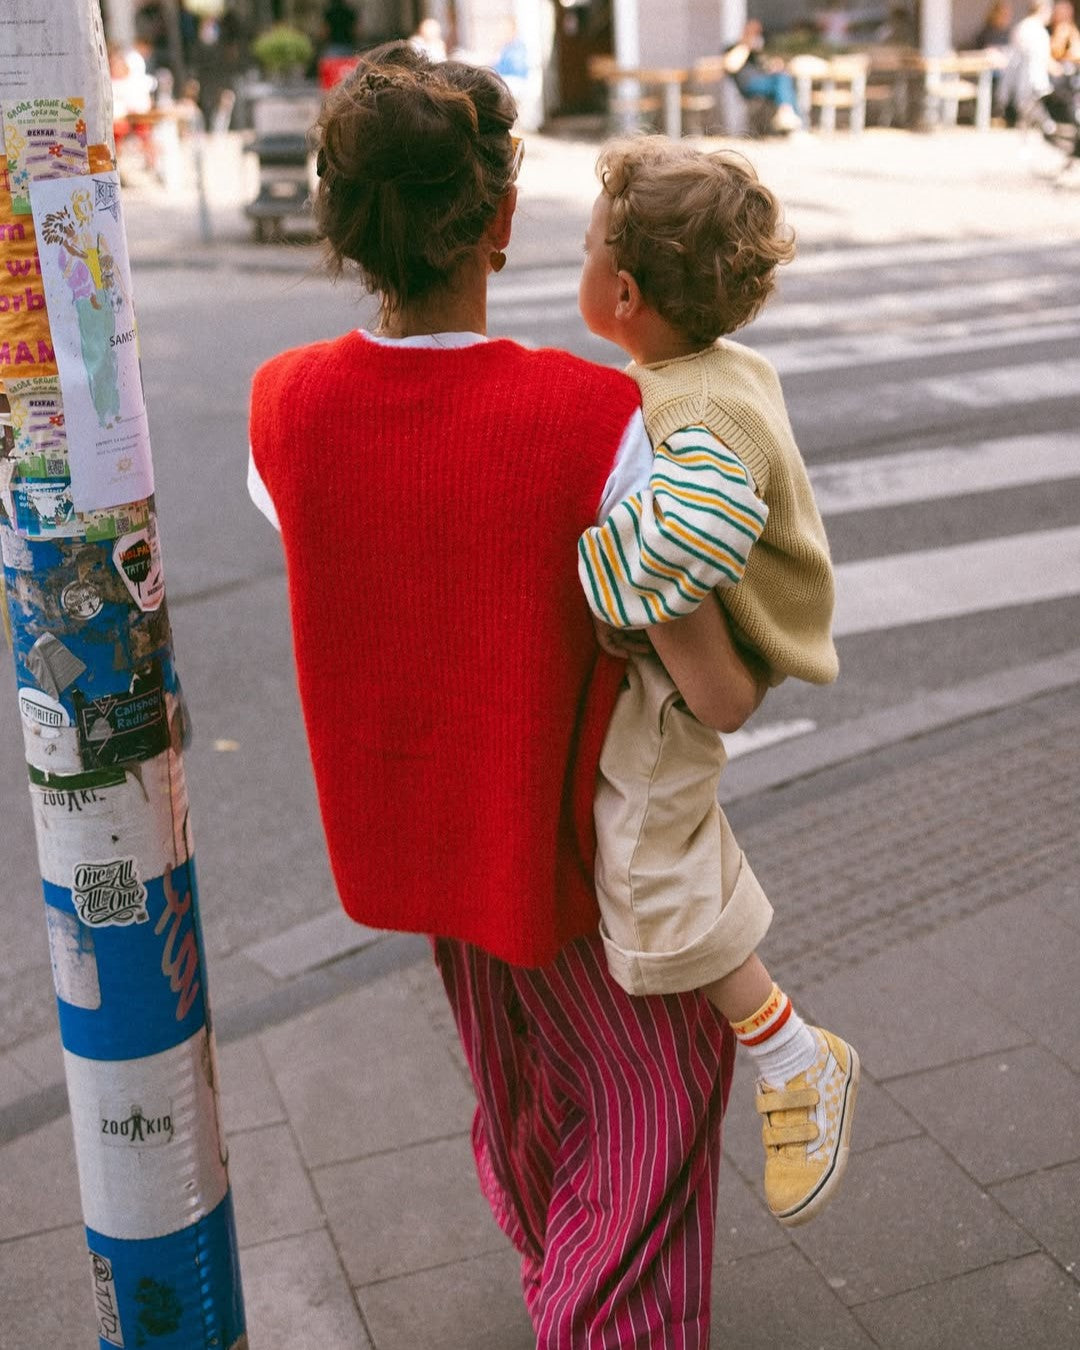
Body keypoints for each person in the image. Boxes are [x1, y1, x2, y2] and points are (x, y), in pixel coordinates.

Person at [248, 41, 765, 1345]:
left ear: (343, 225)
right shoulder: (594, 420)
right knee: (660, 1088)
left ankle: (556, 1259)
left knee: (528, 1080)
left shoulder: (282, 408)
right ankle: (597, 1314)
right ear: (499, 215)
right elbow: (714, 692)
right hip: (572, 856)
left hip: (426, 852)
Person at [577, 136, 859, 1227]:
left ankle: (792, 1055)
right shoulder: (715, 369)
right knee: (671, 834)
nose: (580, 268)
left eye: (589, 252)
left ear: (627, 293)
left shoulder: (692, 413)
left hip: (701, 666)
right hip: (726, 649)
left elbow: (688, 536)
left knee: (644, 864)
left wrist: (599, 580)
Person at [722, 20, 803, 133]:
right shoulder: (733, 47)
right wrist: (746, 45)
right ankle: (794, 123)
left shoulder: (757, 52)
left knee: (784, 81)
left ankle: (789, 117)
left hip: (766, 84)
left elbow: (764, 67)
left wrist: (773, 66)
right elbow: (731, 66)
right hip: (749, 85)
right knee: (782, 80)